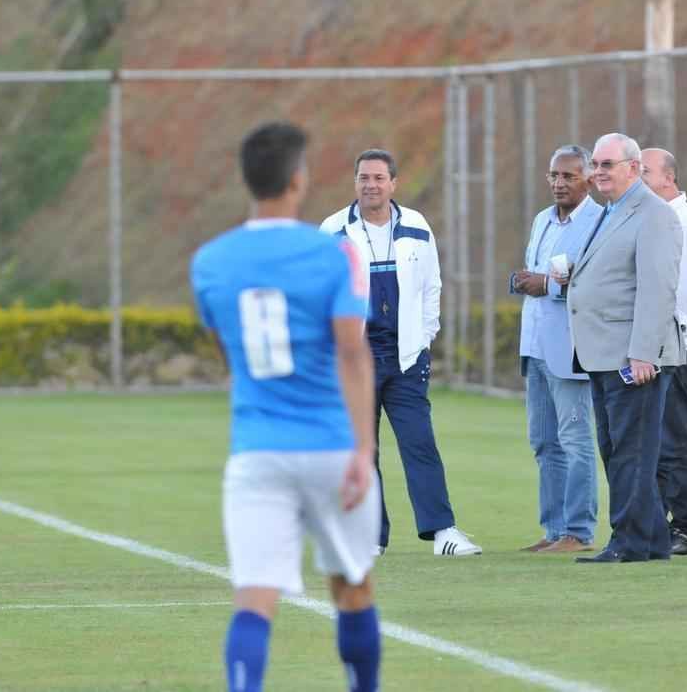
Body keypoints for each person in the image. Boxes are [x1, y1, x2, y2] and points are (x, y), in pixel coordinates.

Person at [190, 122, 381, 692]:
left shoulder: (210, 261)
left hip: (258, 451)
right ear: (298, 179)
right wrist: (364, 448)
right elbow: (352, 350)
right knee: (352, 587)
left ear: (246, 180)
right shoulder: (334, 253)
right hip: (330, 445)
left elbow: (230, 351)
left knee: (254, 597)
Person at [321, 149, 481, 558]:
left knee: (420, 443)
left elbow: (432, 287)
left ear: (393, 183)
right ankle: (370, 536)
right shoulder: (333, 230)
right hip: (356, 358)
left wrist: (424, 338)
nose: (370, 185)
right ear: (354, 182)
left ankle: (443, 532)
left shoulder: (415, 225)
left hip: (406, 356)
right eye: (363, 178)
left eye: (378, 178)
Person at [561, 132, 684, 564]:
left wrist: (643, 353)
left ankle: (629, 542)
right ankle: (650, 540)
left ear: (633, 168)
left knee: (631, 451)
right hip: (602, 352)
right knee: (618, 449)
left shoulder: (653, 215)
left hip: (632, 357)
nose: (597, 173)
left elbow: (657, 288)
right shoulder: (613, 212)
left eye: (606, 165)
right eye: (595, 165)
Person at [512, 144, 603, 553]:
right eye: (554, 175)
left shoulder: (601, 223)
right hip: (535, 345)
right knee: (544, 441)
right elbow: (540, 274)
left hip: (571, 349)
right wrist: (524, 281)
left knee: (576, 439)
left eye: (568, 175)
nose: (559, 183)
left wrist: (545, 285)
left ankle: (579, 531)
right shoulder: (542, 221)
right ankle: (554, 530)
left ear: (588, 178)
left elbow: (597, 286)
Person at [640, 148, 687, 556]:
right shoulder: (659, 220)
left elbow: (681, 297)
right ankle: (659, 523)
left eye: (645, 171)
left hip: (676, 349)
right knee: (655, 442)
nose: (640, 178)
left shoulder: (685, 222)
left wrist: (655, 345)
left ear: (669, 178)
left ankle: (686, 529)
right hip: (656, 347)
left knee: (676, 442)